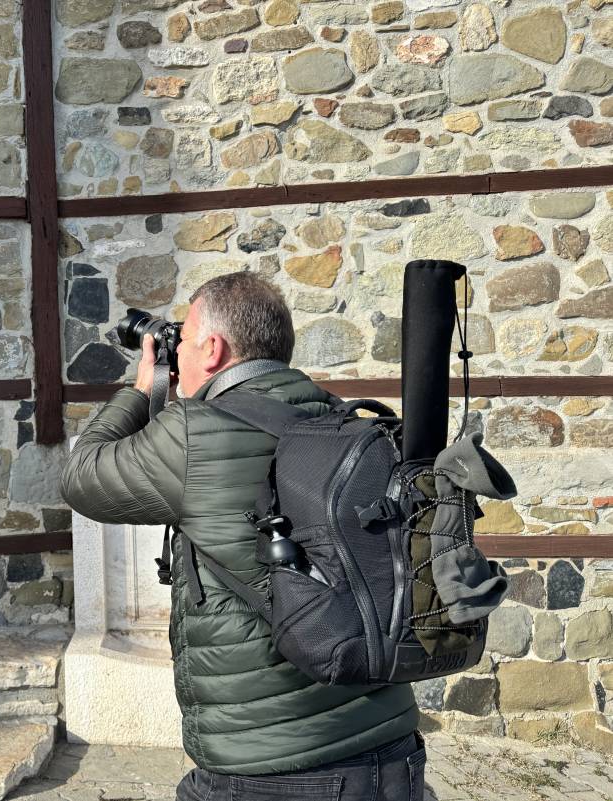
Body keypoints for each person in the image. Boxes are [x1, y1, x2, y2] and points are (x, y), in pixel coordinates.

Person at [60, 271, 425, 801]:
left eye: (181, 342)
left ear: (212, 349)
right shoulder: (343, 418)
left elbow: (82, 475)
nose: (175, 354)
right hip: (392, 745)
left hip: (272, 768)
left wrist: (142, 388)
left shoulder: (193, 431)